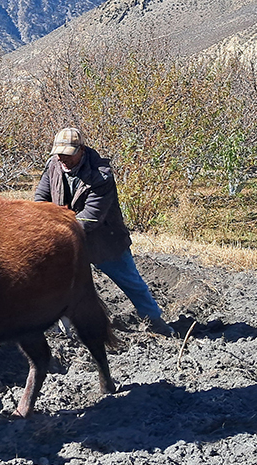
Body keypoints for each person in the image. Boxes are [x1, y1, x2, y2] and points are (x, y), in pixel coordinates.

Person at [34, 127, 175, 337]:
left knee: (130, 281)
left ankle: (154, 320)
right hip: (67, 239)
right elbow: (41, 200)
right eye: (59, 153)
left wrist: (60, 229)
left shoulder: (101, 175)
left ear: (81, 150)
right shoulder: (53, 166)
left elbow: (91, 216)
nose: (63, 158)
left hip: (103, 240)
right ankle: (58, 326)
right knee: (55, 282)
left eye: (68, 154)